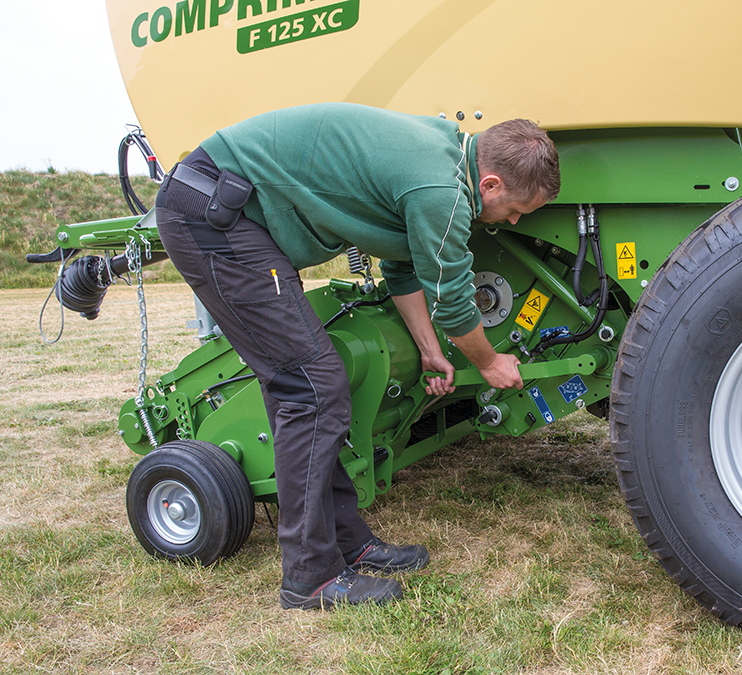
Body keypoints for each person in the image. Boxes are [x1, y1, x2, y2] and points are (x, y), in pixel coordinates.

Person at [153, 102, 560, 610]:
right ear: (492, 184)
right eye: (517, 209)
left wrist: (430, 352)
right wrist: (489, 361)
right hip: (215, 217)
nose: (513, 219)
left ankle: (347, 542)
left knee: (312, 384)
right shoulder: (442, 191)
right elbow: (452, 297)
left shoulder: (442, 156)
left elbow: (404, 268)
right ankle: (310, 577)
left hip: (227, 213)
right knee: (311, 384)